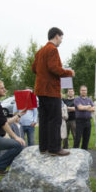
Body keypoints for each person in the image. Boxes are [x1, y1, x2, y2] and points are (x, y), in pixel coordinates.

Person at [32, 27, 75, 156]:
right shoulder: (52, 49)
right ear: (56, 36)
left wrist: (43, 73)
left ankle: (43, 147)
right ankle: (55, 148)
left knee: (44, 119)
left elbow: (34, 69)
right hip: (51, 90)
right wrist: (69, 72)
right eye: (61, 37)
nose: (61, 40)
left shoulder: (40, 51)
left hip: (40, 90)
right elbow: (54, 68)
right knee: (55, 119)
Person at [73, 85, 95, 150]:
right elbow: (79, 108)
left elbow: (93, 109)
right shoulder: (77, 99)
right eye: (82, 90)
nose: (84, 92)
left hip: (88, 121)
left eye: (85, 90)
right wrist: (88, 107)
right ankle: (75, 152)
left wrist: (84, 107)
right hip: (79, 121)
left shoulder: (89, 99)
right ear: (80, 91)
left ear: (86, 91)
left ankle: (84, 153)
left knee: (86, 139)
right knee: (78, 138)